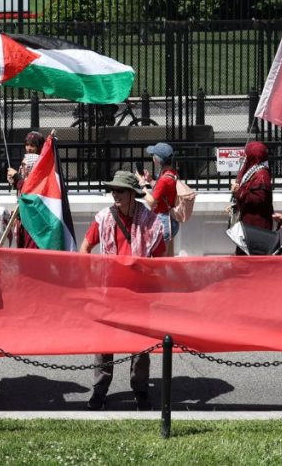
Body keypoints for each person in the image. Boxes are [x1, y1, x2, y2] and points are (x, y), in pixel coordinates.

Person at [80, 170, 166, 410]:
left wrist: (150, 279)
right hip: (109, 293)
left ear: (132, 194)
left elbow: (161, 258)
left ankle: (140, 391)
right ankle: (99, 390)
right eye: (113, 190)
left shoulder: (151, 222)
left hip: (139, 295)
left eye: (120, 191)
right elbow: (85, 247)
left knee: (140, 348)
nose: (115, 195)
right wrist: (90, 279)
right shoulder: (103, 218)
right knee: (104, 345)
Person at [228, 141, 273, 230]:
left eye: (247, 154)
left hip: (257, 226)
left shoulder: (262, 175)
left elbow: (259, 199)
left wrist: (239, 191)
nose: (245, 157)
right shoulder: (252, 171)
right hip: (248, 223)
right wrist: (235, 205)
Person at [142, 142, 180, 245]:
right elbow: (163, 192)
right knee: (168, 257)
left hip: (164, 222)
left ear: (157, 160)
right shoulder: (171, 173)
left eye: (153, 155)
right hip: (170, 219)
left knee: (160, 258)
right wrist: (150, 180)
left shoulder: (164, 179)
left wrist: (142, 186)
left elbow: (151, 202)